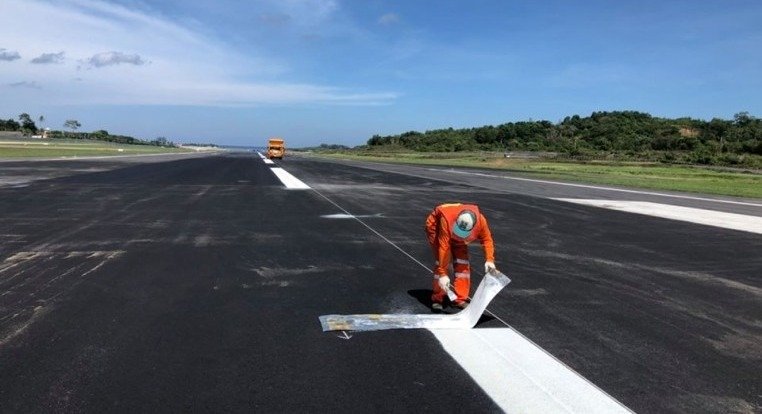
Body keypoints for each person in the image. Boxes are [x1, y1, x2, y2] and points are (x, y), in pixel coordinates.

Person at [424, 203, 497, 311]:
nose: (458, 236)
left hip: (452, 227)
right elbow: (444, 248)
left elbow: (487, 240)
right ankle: (438, 297)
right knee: (442, 261)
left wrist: (489, 260)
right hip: (436, 226)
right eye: (458, 232)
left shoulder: (481, 222)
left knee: (462, 263)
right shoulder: (446, 221)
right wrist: (443, 274)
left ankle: (460, 299)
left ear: (473, 227)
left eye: (462, 234)